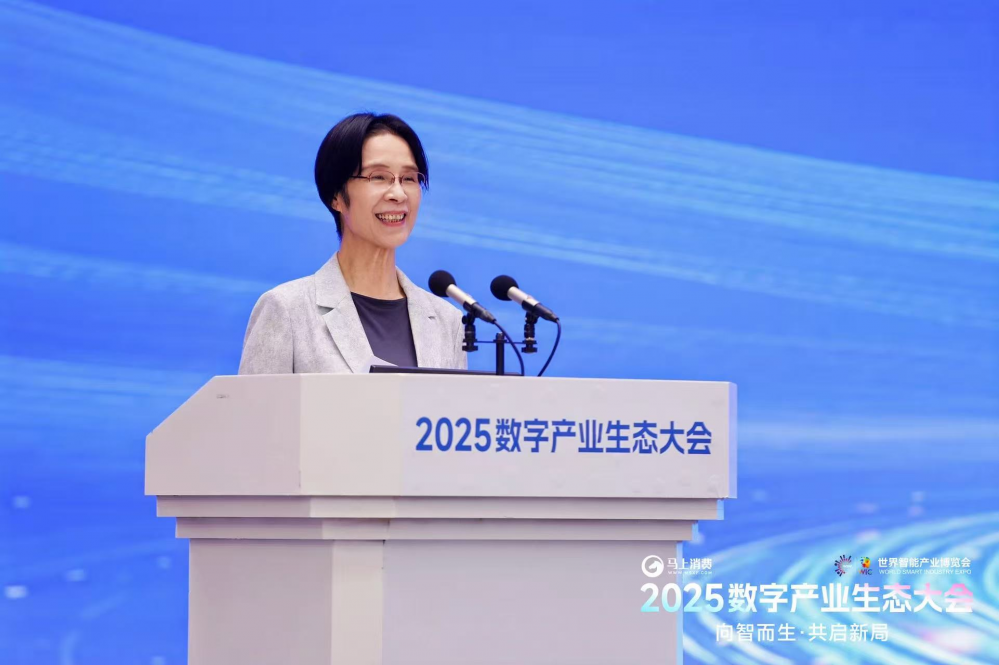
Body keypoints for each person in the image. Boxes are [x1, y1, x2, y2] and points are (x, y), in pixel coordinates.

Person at [238, 113, 466, 374]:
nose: (398, 194)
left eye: (409, 179)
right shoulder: (287, 310)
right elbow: (255, 402)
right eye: (378, 177)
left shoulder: (447, 321)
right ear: (336, 195)